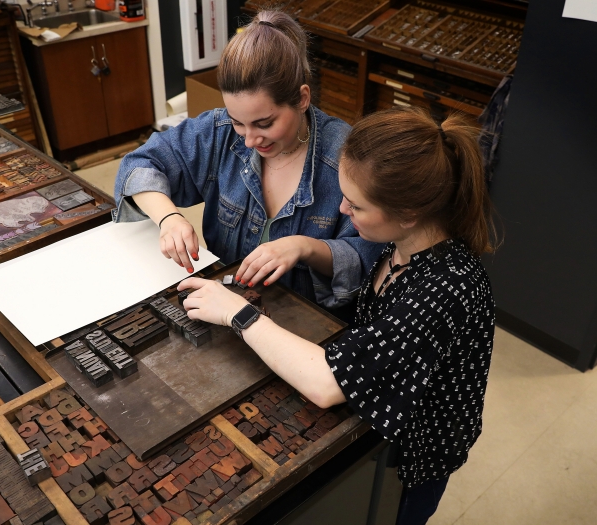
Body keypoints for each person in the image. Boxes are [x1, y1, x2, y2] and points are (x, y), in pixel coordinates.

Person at [178, 108, 497, 525]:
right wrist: (307, 248)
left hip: (412, 458)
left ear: (409, 213)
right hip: (384, 424)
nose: (343, 210)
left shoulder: (445, 288)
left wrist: (237, 313)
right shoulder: (402, 246)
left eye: (357, 205)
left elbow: (328, 383)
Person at [113, 10, 383, 310]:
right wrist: (169, 218)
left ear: (302, 98)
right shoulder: (220, 132)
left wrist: (306, 247)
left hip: (305, 330)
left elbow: (372, 257)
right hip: (226, 309)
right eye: (238, 122)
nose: (249, 140)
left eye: (265, 123)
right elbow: (140, 164)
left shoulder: (345, 156)